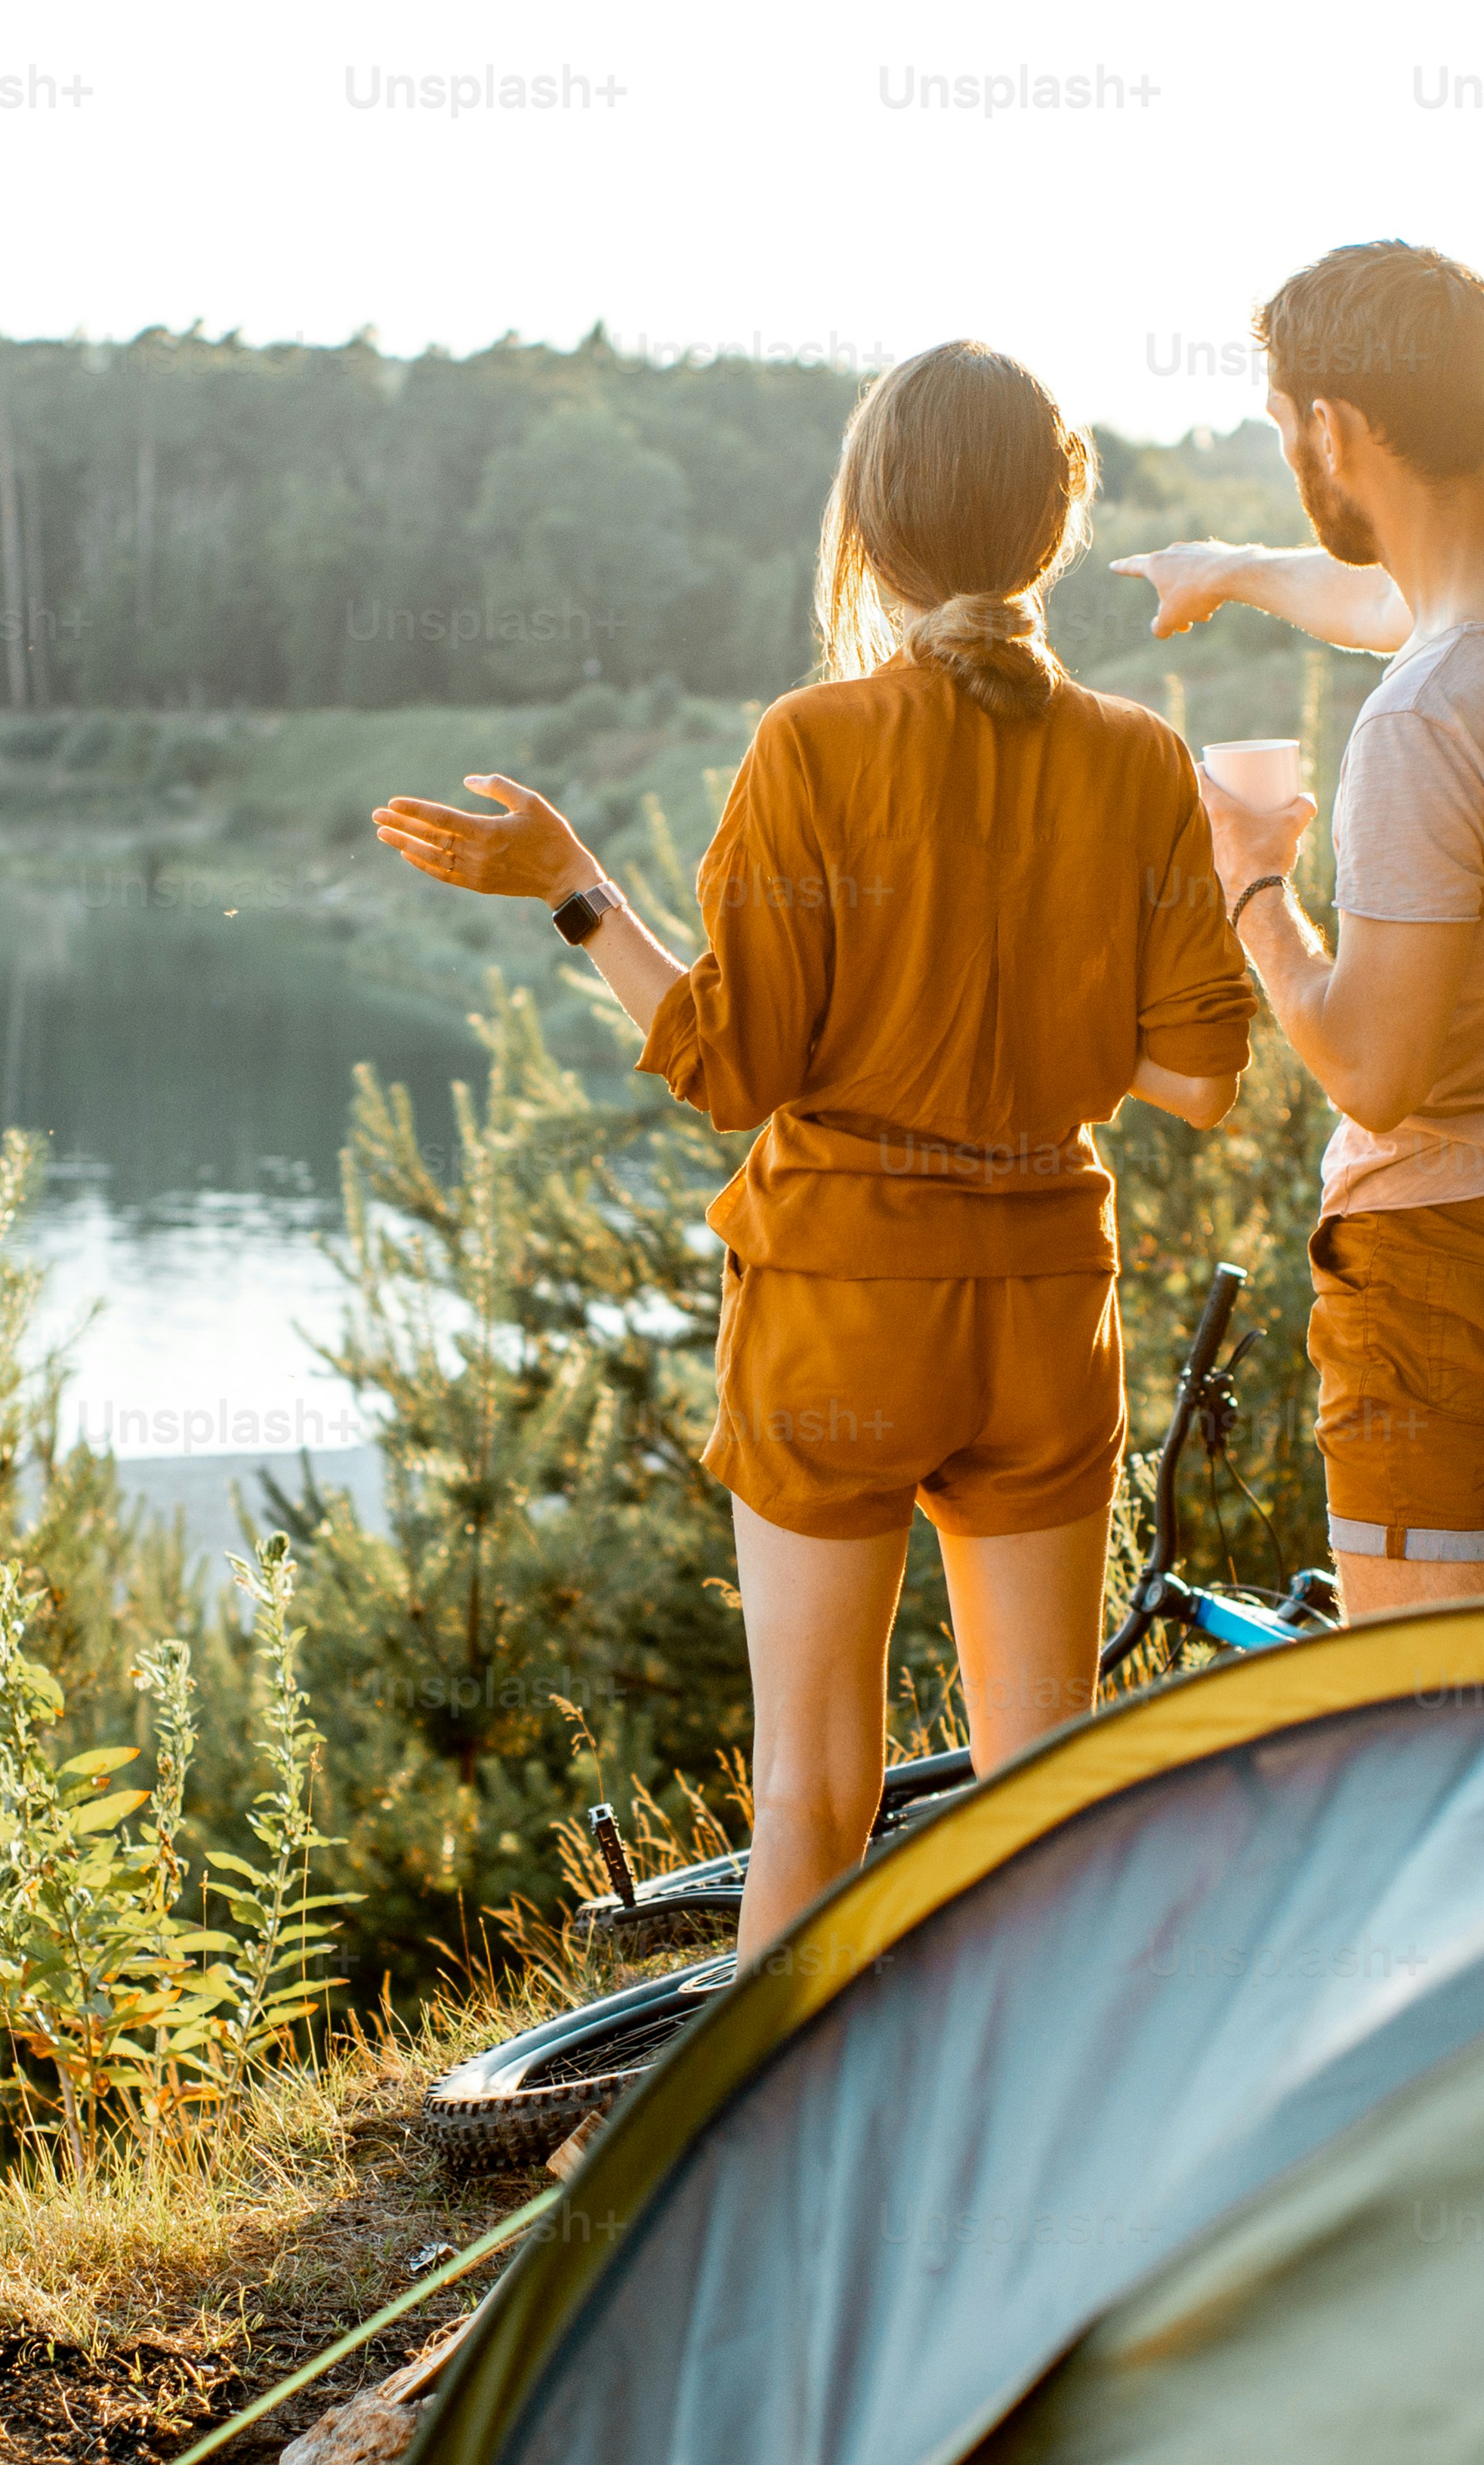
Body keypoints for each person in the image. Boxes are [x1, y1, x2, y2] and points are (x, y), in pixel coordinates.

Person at [373, 341, 1251, 1959]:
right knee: (1039, 1780)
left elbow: (732, 1065)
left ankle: (772, 2167)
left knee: (813, 1795)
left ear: (870, 524)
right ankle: (1047, 2145)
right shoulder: (1139, 760)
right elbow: (1202, 1076)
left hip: (840, 1307)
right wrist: (1037, 1019)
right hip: (1044, 1310)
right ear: (1053, 530)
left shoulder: (812, 746)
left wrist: (578, 889)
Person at [1116, 239, 1484, 1606]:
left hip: (1454, 1272)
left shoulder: (1425, 721)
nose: (1286, 458)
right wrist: (1234, 567)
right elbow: (1396, 601)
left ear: (1331, 427)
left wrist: (1251, 881)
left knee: (1428, 1737)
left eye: (1281, 430)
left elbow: (1375, 1072)